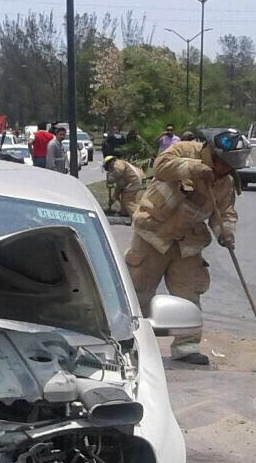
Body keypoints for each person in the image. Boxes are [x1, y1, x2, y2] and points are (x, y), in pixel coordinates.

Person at [125, 128, 243, 366]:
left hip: (188, 243)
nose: (224, 169)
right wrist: (193, 168)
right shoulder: (184, 150)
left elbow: (224, 213)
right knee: (139, 291)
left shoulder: (225, 183)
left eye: (229, 166)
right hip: (153, 234)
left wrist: (226, 233)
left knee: (189, 294)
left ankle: (186, 346)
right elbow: (161, 167)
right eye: (222, 163)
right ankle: (130, 341)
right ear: (212, 153)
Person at [104, 134, 147, 219]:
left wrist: (110, 179)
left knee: (128, 200)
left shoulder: (118, 163)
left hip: (135, 181)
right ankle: (125, 213)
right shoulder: (121, 174)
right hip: (138, 180)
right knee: (128, 197)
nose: (110, 169)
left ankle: (138, 218)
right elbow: (119, 189)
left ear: (111, 162)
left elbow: (118, 171)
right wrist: (112, 200)